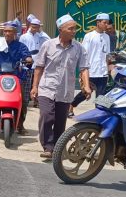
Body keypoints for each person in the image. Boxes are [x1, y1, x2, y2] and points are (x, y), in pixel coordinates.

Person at [31, 14, 90, 159]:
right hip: (47, 88)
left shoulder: (78, 48)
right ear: (61, 29)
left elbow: (83, 68)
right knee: (46, 116)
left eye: (74, 28)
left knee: (60, 121)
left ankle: (56, 147)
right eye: (70, 28)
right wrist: (35, 87)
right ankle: (47, 146)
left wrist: (86, 86)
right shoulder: (48, 45)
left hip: (65, 90)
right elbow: (39, 67)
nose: (74, 31)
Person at [70, 13, 111, 116]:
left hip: (103, 72)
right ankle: (71, 106)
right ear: (98, 23)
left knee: (101, 96)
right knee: (85, 93)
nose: (107, 25)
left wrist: (108, 68)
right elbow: (84, 54)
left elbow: (107, 54)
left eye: (107, 23)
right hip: (91, 71)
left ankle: (99, 115)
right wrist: (83, 70)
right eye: (104, 23)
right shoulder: (89, 36)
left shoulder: (107, 37)